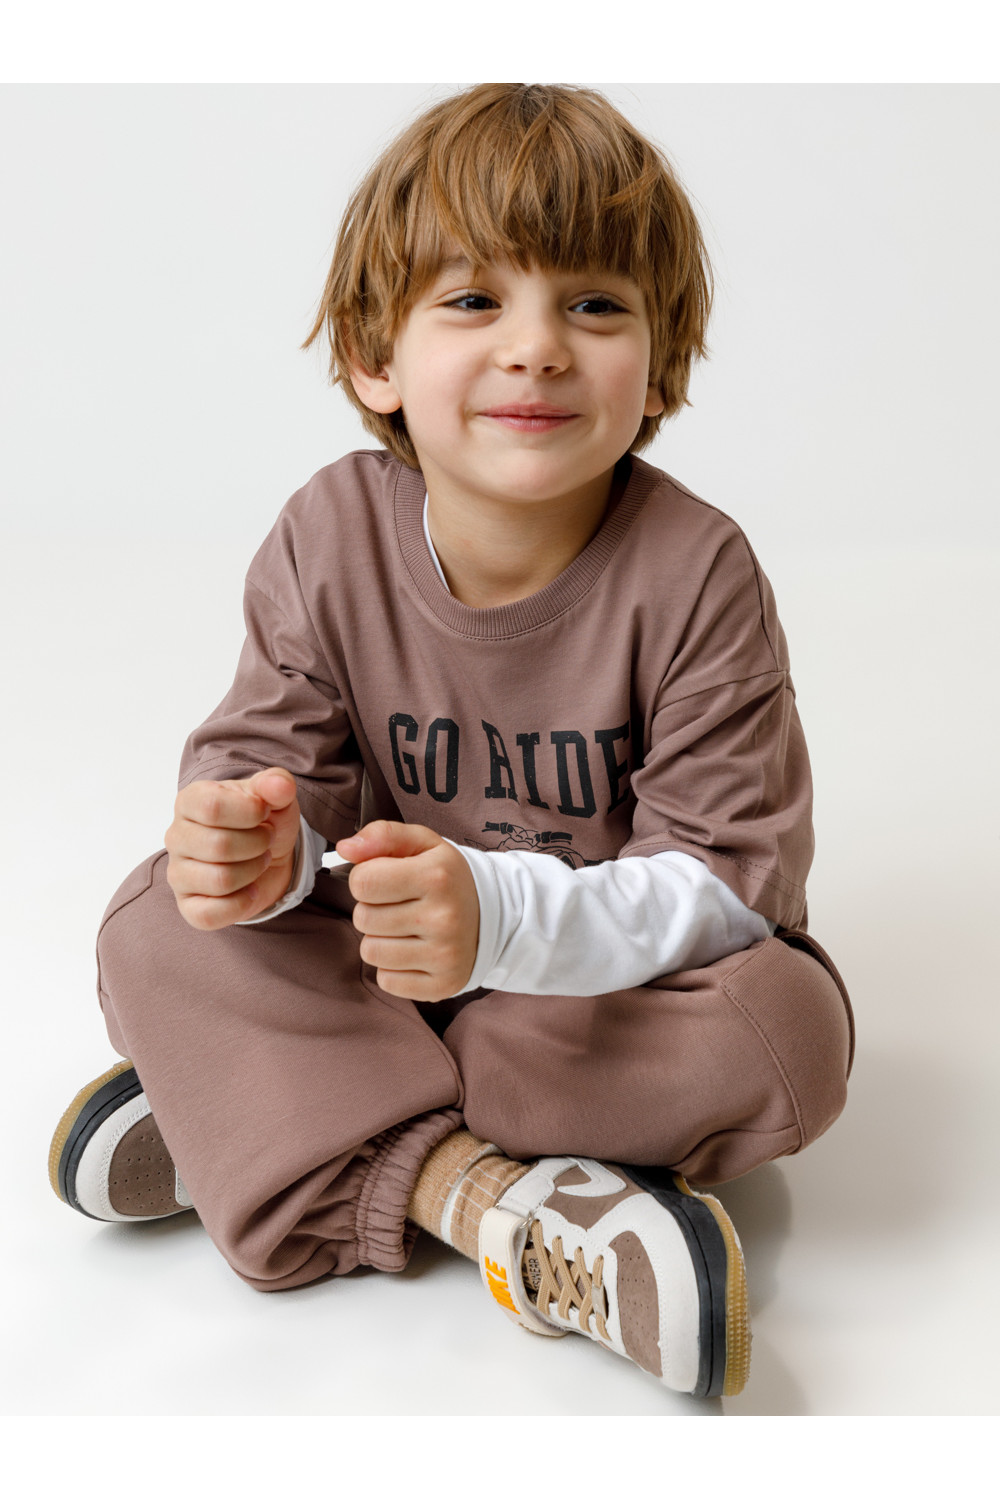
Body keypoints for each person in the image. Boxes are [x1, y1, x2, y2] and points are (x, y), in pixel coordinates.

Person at [47, 82, 854, 1400]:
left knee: (785, 1031)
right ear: (377, 357)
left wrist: (501, 922)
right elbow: (275, 792)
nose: (535, 348)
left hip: (582, 1004)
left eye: (594, 306)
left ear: (661, 366)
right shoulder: (328, 533)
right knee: (155, 921)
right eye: (475, 300)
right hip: (382, 967)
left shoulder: (697, 570)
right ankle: (492, 1204)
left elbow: (725, 889)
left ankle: (266, 1113)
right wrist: (248, 850)